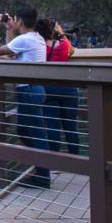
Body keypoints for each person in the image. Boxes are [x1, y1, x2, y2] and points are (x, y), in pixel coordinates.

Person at [0, 7, 51, 188]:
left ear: (21, 22)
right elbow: (11, 52)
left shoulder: (26, 40)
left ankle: (43, 176)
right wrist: (9, 30)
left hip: (29, 91)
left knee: (35, 134)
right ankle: (42, 171)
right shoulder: (36, 38)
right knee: (25, 131)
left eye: (14, 20)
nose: (13, 21)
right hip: (35, 89)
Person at [39, 18, 81, 154]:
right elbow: (72, 50)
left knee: (52, 126)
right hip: (68, 88)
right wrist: (61, 32)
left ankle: (54, 162)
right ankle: (76, 160)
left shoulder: (41, 46)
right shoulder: (63, 44)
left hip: (49, 88)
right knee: (71, 127)